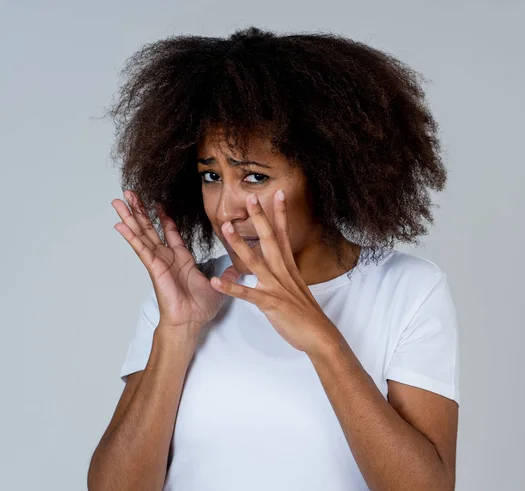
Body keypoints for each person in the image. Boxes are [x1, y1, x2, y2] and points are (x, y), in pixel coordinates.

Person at [88, 26, 460, 491]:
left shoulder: (407, 291)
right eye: (210, 176)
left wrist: (322, 339)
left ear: (326, 175)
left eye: (255, 177)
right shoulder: (185, 299)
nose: (225, 209)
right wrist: (177, 332)